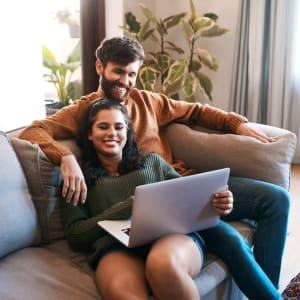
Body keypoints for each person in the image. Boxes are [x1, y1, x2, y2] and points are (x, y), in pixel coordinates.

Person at [20, 36, 290, 289]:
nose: (125, 81)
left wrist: (235, 125)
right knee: (228, 240)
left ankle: (272, 290)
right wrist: (65, 157)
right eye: (119, 71)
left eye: (132, 74)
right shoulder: (84, 111)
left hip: (184, 186)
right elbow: (33, 132)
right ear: (100, 67)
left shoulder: (149, 101)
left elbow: (196, 112)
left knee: (276, 199)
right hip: (151, 210)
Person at [61, 98, 281, 299]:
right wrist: (128, 206)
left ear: (127, 132)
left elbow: (190, 197)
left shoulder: (152, 162)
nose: (112, 133)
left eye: (119, 127)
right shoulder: (78, 179)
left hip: (170, 237)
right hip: (116, 248)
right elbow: (76, 235)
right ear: (89, 133)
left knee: (164, 266)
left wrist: (220, 203)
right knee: (123, 293)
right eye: (103, 127)